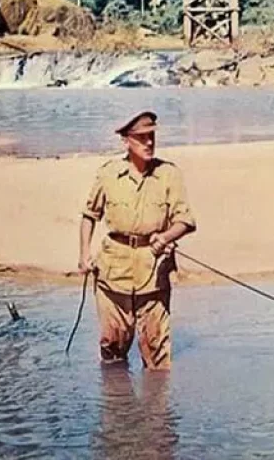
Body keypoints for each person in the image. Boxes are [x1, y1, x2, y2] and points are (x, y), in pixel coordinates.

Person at [78, 110, 196, 369]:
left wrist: (165, 236)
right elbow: (89, 216)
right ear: (126, 141)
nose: (149, 143)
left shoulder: (168, 174)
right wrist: (84, 255)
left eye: (151, 136)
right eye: (142, 138)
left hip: (154, 272)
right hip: (113, 274)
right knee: (112, 347)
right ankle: (118, 405)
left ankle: (158, 409)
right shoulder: (108, 174)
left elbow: (186, 221)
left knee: (157, 355)